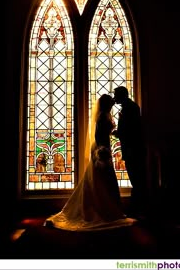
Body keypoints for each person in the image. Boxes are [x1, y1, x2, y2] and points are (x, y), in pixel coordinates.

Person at [44, 94, 137, 231]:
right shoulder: (102, 117)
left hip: (104, 148)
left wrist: (115, 135)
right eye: (111, 102)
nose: (113, 103)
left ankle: (109, 209)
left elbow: (107, 133)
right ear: (107, 105)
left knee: (103, 179)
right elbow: (98, 136)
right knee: (103, 179)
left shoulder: (106, 115)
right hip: (101, 150)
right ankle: (103, 210)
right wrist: (101, 152)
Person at [113, 86, 147, 217]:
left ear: (122, 95)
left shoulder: (130, 108)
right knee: (136, 178)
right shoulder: (129, 107)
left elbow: (132, 129)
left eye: (116, 95)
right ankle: (137, 207)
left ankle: (138, 208)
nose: (114, 97)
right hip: (132, 148)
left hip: (134, 149)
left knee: (137, 177)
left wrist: (118, 133)